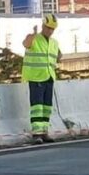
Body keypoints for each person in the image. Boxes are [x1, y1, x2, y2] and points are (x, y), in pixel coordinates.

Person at [22, 14, 62, 143]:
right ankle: (36, 134)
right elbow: (26, 44)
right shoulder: (34, 38)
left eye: (52, 29)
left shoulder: (54, 43)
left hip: (49, 77)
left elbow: (58, 55)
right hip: (36, 77)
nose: (50, 31)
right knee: (37, 107)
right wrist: (33, 34)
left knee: (46, 107)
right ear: (43, 26)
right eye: (48, 28)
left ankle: (44, 132)